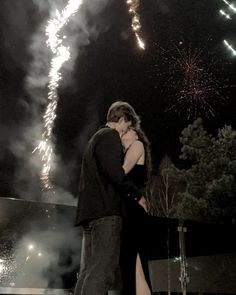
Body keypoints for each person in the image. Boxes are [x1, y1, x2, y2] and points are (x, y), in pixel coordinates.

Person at [74, 101, 147, 295]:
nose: (125, 131)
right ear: (122, 120)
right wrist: (137, 195)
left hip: (90, 214)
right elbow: (115, 173)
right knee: (102, 272)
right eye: (127, 127)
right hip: (106, 213)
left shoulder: (95, 139)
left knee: (88, 271)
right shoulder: (110, 136)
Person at [120, 126, 152, 295]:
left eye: (129, 130)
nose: (125, 132)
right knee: (134, 265)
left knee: (135, 263)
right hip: (130, 211)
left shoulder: (137, 145)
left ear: (136, 134)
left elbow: (122, 172)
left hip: (133, 212)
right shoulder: (128, 151)